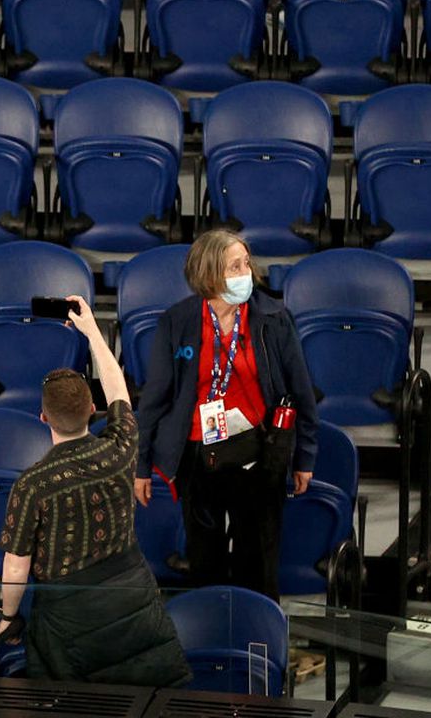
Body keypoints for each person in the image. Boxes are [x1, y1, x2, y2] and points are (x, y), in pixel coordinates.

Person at [0, 296, 191, 687]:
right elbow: (118, 389)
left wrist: (7, 617)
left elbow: (16, 566)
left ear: (43, 417)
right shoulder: (120, 447)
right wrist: (92, 334)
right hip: (131, 598)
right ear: (91, 410)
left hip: (67, 621)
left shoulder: (33, 483)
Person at [135, 230, 319, 601]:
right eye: (235, 266)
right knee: (206, 560)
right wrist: (141, 464)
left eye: (246, 263)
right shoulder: (178, 321)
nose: (246, 273)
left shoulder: (274, 318)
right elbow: (155, 397)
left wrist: (305, 457)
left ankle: (257, 649)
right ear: (209, 275)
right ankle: (211, 646)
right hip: (198, 454)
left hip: (259, 453)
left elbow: (301, 391)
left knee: (258, 562)